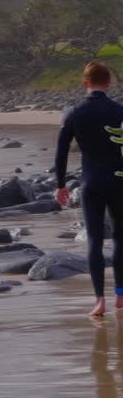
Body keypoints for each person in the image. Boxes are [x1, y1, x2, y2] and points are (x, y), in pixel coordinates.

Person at [55, 61, 123, 318]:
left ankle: (99, 301)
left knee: (94, 241)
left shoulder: (74, 113)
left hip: (91, 184)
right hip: (119, 182)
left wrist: (61, 185)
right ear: (109, 83)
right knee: (120, 238)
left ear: (85, 83)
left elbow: (61, 153)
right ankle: (120, 294)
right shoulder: (120, 111)